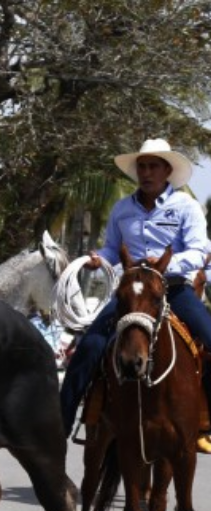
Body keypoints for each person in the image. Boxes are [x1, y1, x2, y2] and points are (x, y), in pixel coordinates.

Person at [59, 138, 211, 439]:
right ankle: (60, 425)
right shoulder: (122, 209)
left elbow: (198, 252)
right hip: (133, 293)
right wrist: (96, 259)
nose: (146, 172)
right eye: (142, 166)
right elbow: (113, 249)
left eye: (153, 166)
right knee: (89, 347)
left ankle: (205, 418)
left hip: (174, 290)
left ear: (167, 170)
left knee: (210, 338)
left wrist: (166, 263)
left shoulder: (186, 207)